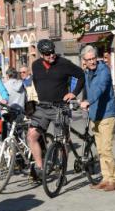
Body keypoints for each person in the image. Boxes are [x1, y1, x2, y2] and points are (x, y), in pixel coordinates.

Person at [27, 39, 85, 181]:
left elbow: (81, 75)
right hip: (43, 106)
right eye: (47, 54)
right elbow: (36, 81)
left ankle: (62, 171)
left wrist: (74, 93)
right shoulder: (35, 65)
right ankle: (41, 168)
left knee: (62, 140)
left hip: (60, 107)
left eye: (52, 52)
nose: (51, 55)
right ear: (41, 54)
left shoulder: (64, 63)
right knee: (32, 135)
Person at [78, 46, 115, 191]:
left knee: (106, 149)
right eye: (89, 60)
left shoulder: (104, 71)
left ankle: (112, 180)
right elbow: (85, 89)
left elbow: (99, 88)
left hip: (107, 114)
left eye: (93, 58)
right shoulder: (87, 72)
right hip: (95, 115)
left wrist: (89, 101)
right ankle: (105, 178)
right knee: (100, 150)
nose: (92, 61)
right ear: (84, 61)